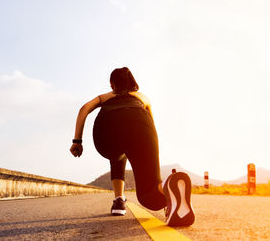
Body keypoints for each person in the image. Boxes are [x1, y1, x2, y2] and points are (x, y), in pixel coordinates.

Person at [70, 67, 195, 226]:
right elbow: (150, 123)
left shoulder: (105, 97)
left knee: (117, 155)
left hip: (107, 136)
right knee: (149, 196)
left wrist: (77, 141)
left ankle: (119, 200)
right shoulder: (142, 97)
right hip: (141, 126)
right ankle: (166, 186)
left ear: (112, 83)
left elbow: (84, 109)